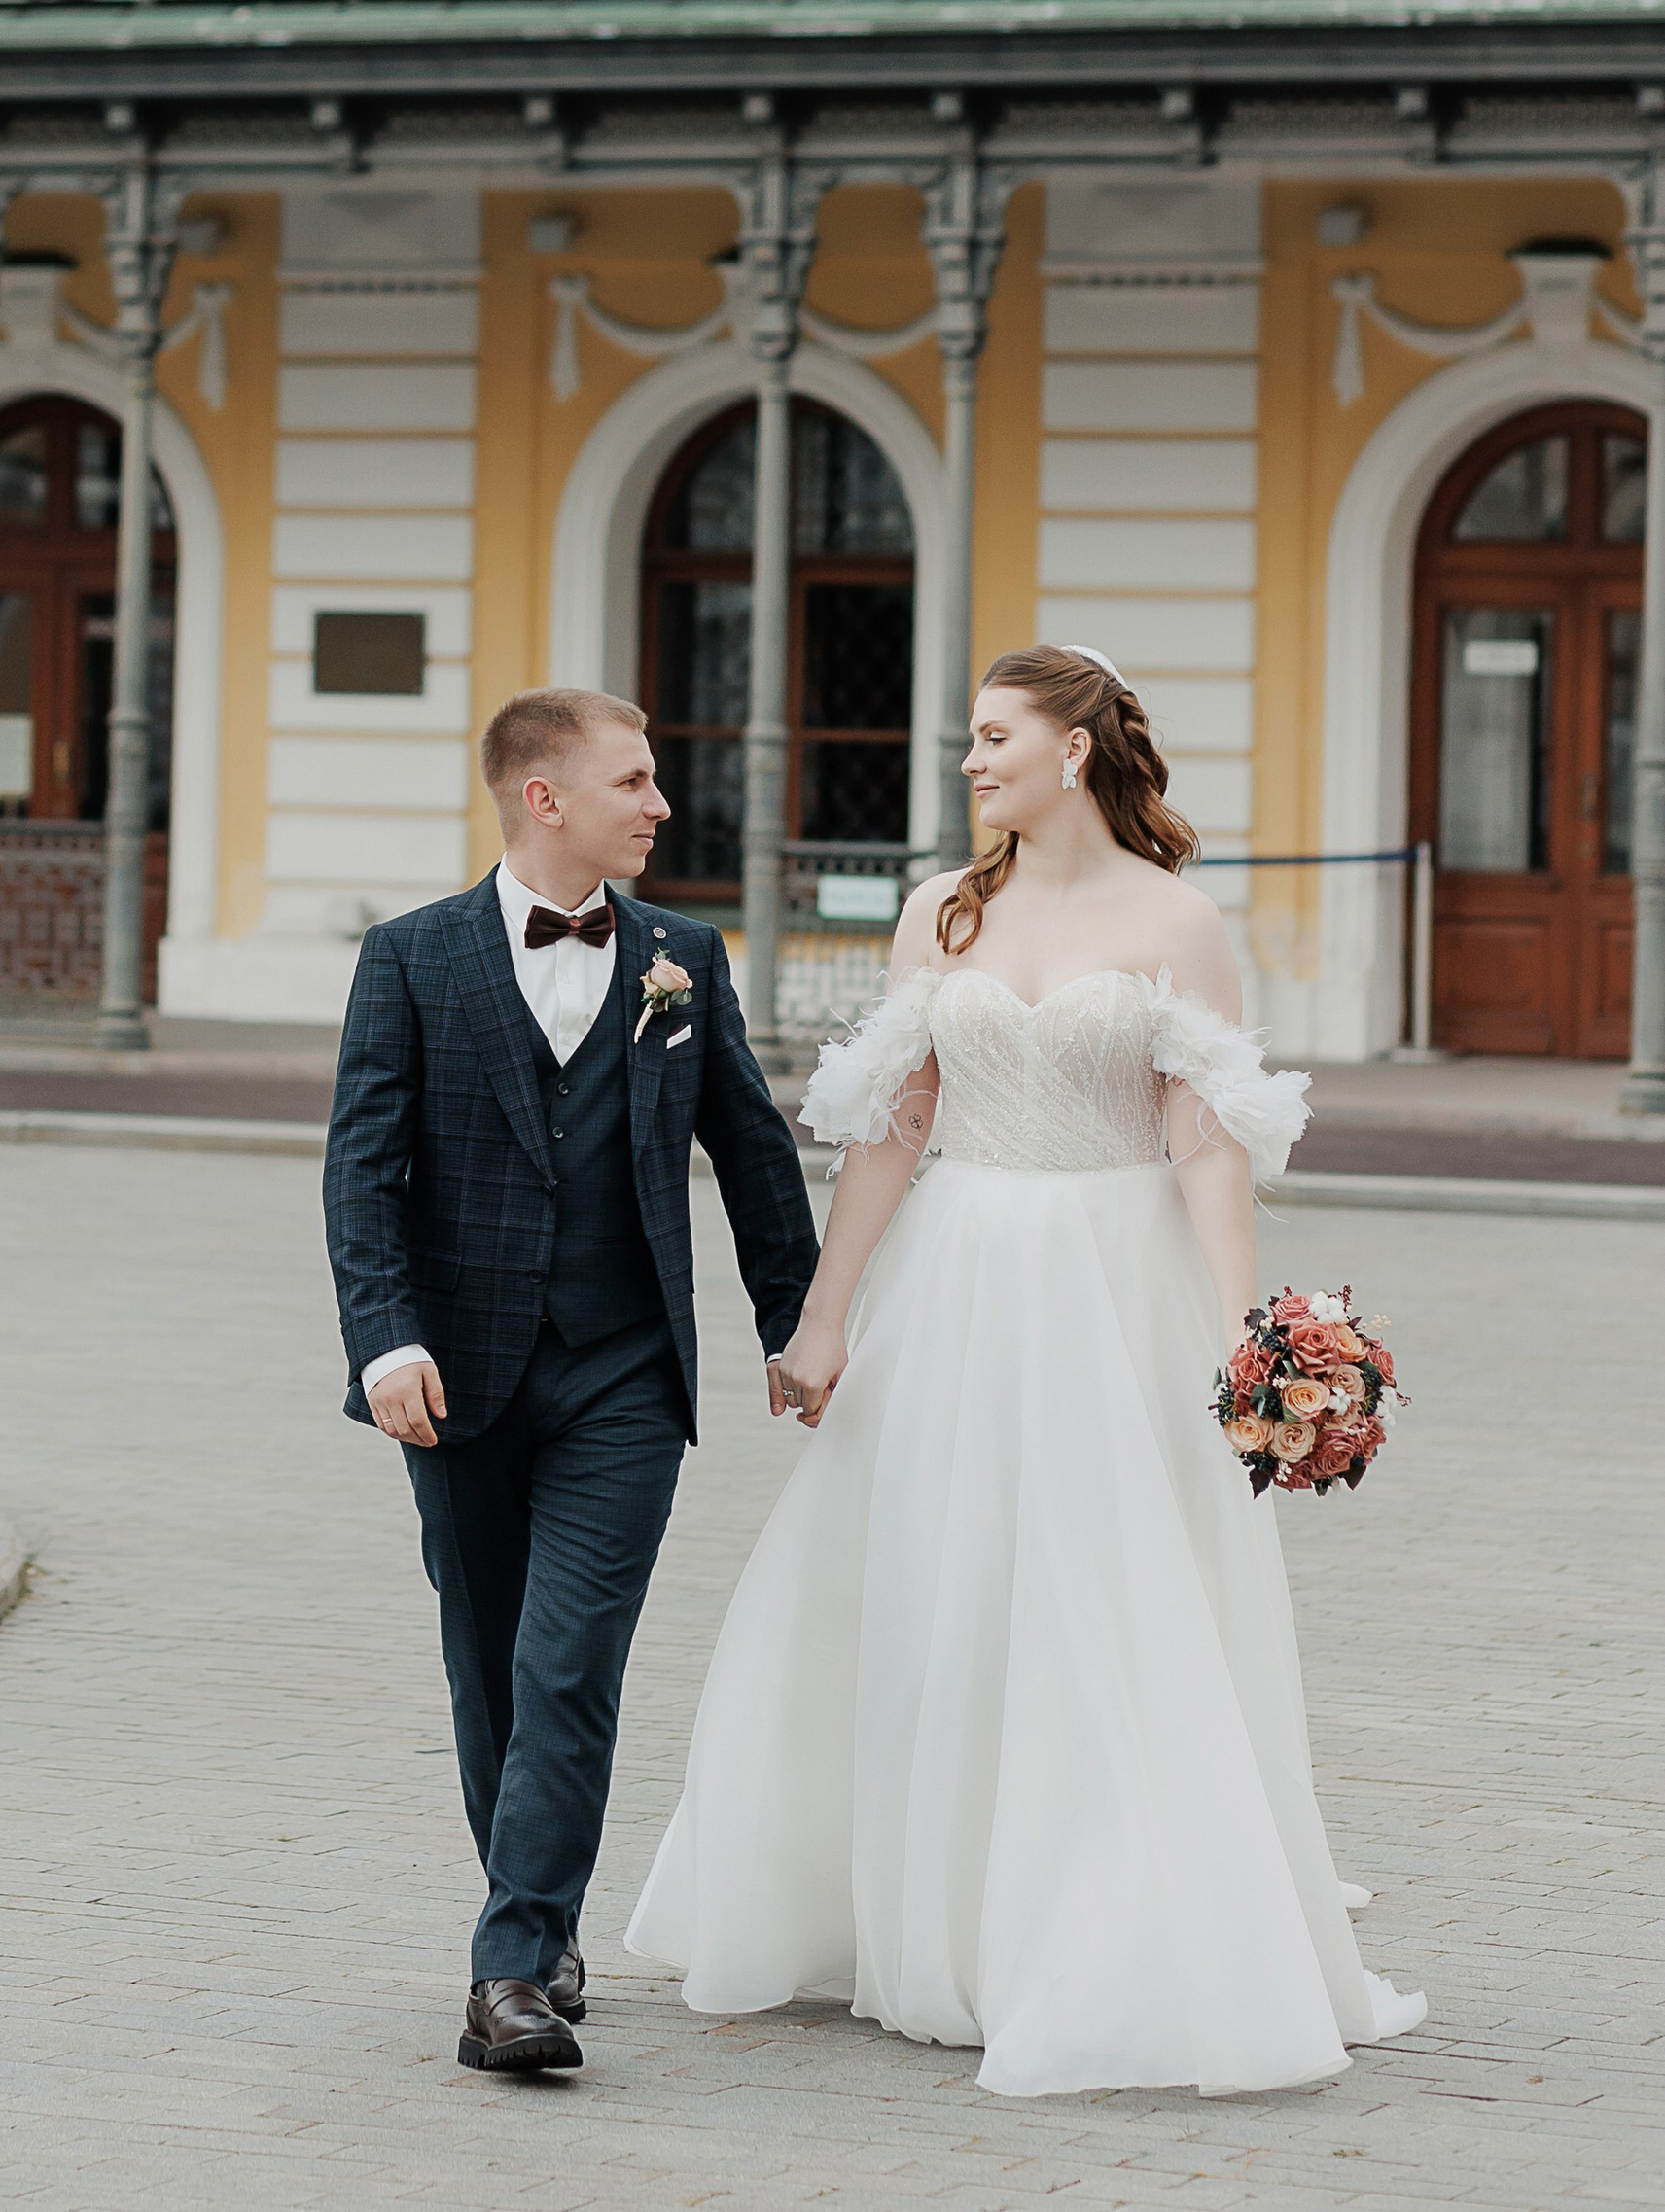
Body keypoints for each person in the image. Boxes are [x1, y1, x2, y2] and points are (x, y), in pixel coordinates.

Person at [627, 641, 1430, 2099]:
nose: (971, 760)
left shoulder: (1180, 921)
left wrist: (1255, 1335)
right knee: (933, 1589)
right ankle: (918, 1911)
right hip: (961, 1273)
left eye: (995, 736)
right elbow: (891, 1128)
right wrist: (824, 1315)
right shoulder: (942, 911)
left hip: (1118, 1286)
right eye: (967, 742)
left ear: (1075, 750)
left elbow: (1205, 1138)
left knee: (1103, 1600)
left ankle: (1090, 1930)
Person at [324, 686, 821, 2076]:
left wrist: (802, 1323)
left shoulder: (682, 957)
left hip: (623, 1374)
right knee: (486, 1668)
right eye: (636, 782)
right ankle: (537, 1927)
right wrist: (386, 1338)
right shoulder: (410, 959)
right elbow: (362, 1170)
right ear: (545, 799)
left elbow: (754, 1153)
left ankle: (506, 1974)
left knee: (566, 1667)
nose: (661, 805)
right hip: (455, 1378)